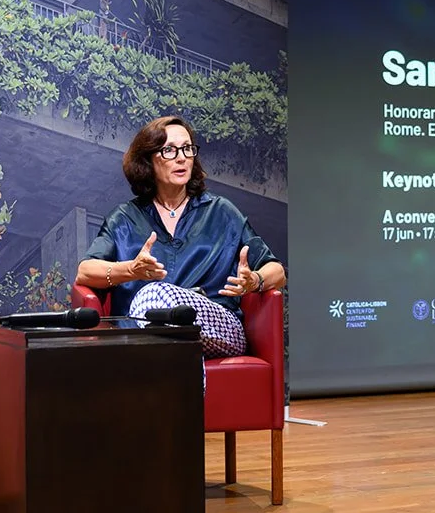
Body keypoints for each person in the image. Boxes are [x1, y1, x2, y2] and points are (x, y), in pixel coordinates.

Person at [76, 115, 285, 357]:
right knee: (163, 328)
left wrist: (255, 281)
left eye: (187, 149)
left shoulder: (222, 212)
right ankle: (184, 385)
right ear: (148, 161)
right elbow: (85, 271)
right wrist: (131, 270)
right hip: (146, 335)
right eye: (169, 150)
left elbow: (277, 271)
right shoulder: (124, 217)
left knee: (153, 295)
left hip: (217, 328)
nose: (182, 157)